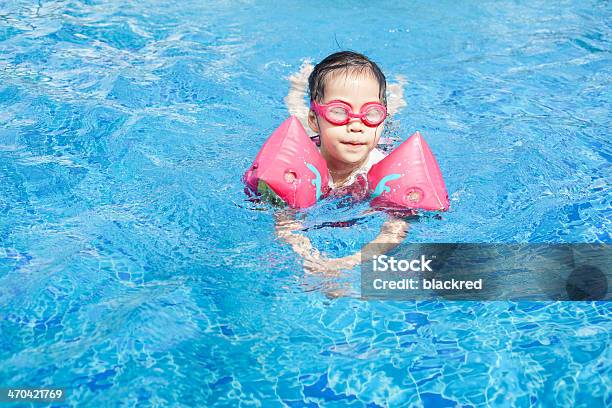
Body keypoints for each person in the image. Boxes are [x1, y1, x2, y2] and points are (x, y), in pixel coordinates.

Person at [276, 51, 410, 275]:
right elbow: (285, 225)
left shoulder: (385, 169)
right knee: (297, 116)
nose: (356, 125)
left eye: (372, 112)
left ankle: (393, 101)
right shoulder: (300, 165)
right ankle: (297, 89)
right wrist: (312, 260)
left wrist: (348, 263)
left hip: (377, 143)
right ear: (316, 119)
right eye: (339, 111)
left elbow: (395, 229)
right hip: (318, 140)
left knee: (393, 123)